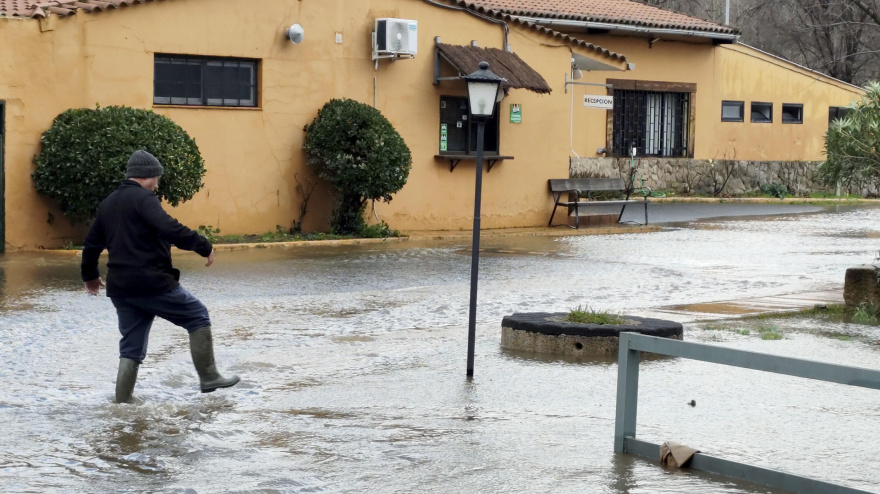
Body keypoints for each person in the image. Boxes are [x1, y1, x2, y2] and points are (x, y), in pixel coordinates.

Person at [81, 150, 240, 403]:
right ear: (150, 176)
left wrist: (90, 276)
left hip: (121, 288)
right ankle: (209, 377)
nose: (157, 184)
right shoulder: (144, 199)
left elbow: (91, 245)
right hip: (152, 282)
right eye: (157, 179)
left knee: (131, 347)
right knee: (197, 316)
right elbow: (170, 227)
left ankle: (123, 403)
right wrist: (203, 245)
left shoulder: (108, 202)